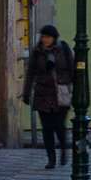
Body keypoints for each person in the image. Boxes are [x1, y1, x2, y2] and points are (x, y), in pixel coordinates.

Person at [26, 24, 72, 166]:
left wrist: (72, 87)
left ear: (54, 37)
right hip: (43, 94)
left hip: (60, 93)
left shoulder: (63, 49)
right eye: (43, 37)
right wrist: (26, 92)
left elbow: (72, 69)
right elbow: (30, 73)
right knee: (47, 128)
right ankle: (51, 158)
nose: (45, 40)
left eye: (48, 37)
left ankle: (63, 150)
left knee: (59, 125)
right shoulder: (37, 52)